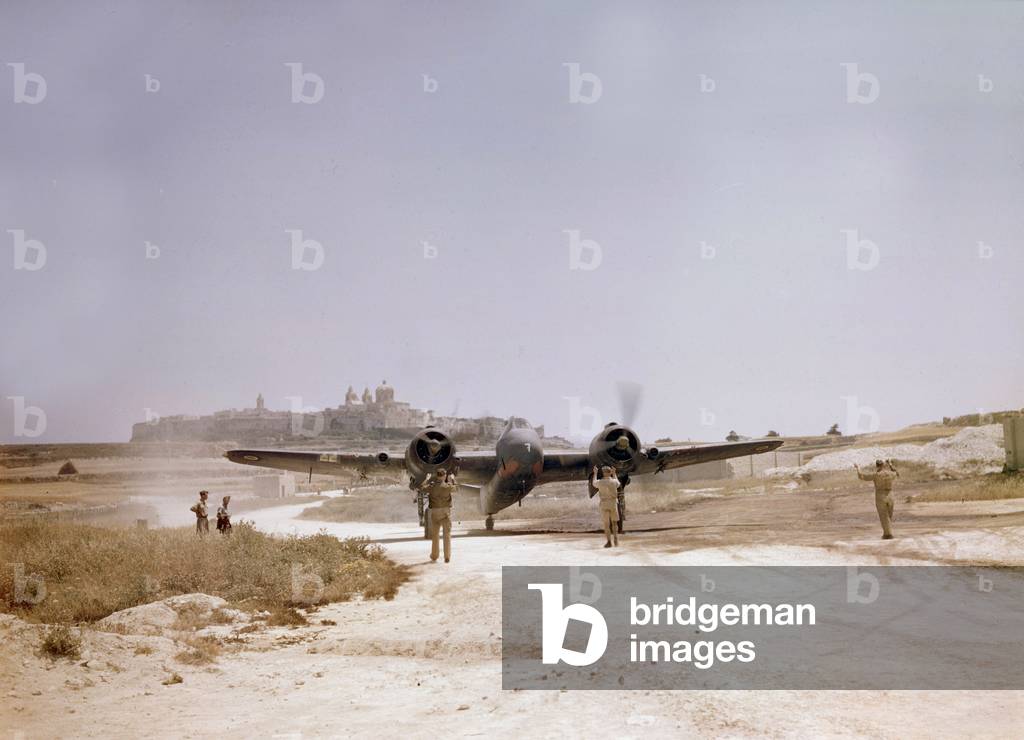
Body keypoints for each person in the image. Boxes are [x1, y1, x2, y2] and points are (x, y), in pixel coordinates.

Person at [855, 459, 898, 539]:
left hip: (880, 495)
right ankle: (888, 532)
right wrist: (890, 465)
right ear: (883, 465)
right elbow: (896, 473)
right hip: (890, 495)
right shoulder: (890, 473)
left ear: (877, 466)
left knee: (883, 516)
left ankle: (888, 534)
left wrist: (858, 468)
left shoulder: (876, 475)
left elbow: (862, 476)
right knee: (889, 515)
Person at [426, 470, 455, 563]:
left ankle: (434, 556)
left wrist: (427, 479)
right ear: (444, 476)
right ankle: (447, 556)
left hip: (435, 512)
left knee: (435, 535)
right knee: (447, 535)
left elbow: (422, 488)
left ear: (437, 476)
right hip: (445, 512)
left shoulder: (431, 486)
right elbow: (457, 488)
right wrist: (452, 479)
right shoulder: (447, 486)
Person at [588, 465, 620, 548]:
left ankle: (609, 541)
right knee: (614, 522)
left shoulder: (600, 482)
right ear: (610, 472)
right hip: (613, 503)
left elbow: (594, 483)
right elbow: (618, 483)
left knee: (606, 524)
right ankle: (616, 539)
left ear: (603, 473)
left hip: (604, 503)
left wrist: (595, 473)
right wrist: (614, 473)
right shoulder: (614, 482)